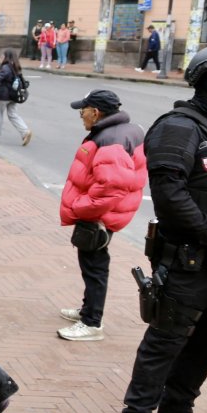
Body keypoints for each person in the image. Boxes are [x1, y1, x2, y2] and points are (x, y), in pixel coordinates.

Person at [118, 44, 207, 413]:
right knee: (164, 344)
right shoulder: (179, 128)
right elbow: (169, 197)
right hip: (189, 260)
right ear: (204, 81)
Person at [58, 89, 146, 342]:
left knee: (94, 265)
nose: (81, 115)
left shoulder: (110, 140)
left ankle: (92, 322)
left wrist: (81, 207)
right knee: (91, 262)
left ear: (96, 112)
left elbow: (111, 186)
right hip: (106, 212)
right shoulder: (123, 131)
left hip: (99, 215)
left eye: (83, 110)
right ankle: (88, 309)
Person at [0, 48, 33, 146]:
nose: (1, 56)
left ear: (7, 56)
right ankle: (25, 131)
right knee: (13, 114)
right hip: (14, 95)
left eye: (3, 55)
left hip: (4, 95)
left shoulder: (6, 67)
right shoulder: (16, 66)